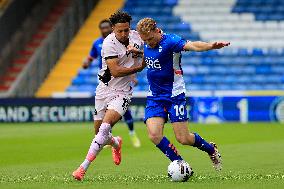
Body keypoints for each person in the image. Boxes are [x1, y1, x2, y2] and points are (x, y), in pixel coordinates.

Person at [136, 17, 230, 171]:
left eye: (150, 38)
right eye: (144, 40)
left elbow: (192, 45)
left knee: (183, 138)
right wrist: (139, 52)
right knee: (154, 135)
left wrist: (210, 46)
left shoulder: (171, 41)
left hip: (174, 95)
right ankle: (180, 164)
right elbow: (150, 56)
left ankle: (210, 149)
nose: (148, 42)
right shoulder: (146, 43)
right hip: (154, 96)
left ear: (156, 30)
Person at [72, 11, 145, 181]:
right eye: (120, 31)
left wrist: (140, 54)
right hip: (104, 90)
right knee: (99, 133)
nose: (124, 34)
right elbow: (116, 71)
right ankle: (116, 143)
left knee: (104, 128)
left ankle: (82, 168)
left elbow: (153, 47)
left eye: (126, 30)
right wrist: (138, 68)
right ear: (113, 29)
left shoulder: (137, 37)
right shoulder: (107, 43)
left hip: (123, 92)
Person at [82, 19, 141, 148]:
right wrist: (86, 62)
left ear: (112, 28)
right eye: (102, 28)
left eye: (106, 27)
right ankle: (112, 139)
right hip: (105, 80)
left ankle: (132, 133)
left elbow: (129, 61)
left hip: (121, 81)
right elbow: (90, 57)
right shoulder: (97, 43)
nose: (105, 30)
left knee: (124, 110)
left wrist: (133, 76)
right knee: (100, 124)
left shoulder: (123, 40)